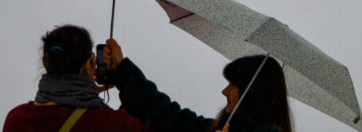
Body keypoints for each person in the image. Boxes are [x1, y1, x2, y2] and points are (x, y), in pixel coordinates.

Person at [103, 38, 293, 132]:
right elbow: (167, 116)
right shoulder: (221, 128)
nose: (224, 91)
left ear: (253, 92)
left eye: (233, 84)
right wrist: (122, 69)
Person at [3, 24, 149, 132]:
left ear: (45, 62)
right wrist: (127, 79)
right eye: (93, 59)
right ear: (87, 66)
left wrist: (83, 96)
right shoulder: (109, 122)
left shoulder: (16, 120)